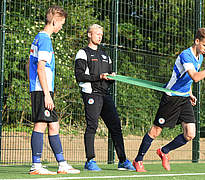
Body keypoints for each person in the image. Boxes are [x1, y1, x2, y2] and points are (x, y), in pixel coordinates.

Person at [132, 28, 205, 172]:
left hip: (183, 99)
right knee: (156, 131)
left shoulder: (199, 57)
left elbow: (187, 80)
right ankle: (138, 160)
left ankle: (164, 151)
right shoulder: (186, 55)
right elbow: (195, 77)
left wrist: (190, 93)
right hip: (171, 98)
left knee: (190, 134)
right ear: (197, 41)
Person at [74, 24, 135, 171]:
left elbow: (108, 77)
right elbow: (79, 76)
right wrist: (99, 76)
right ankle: (90, 161)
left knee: (116, 126)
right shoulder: (82, 53)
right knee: (92, 126)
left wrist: (112, 77)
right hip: (91, 93)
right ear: (89, 35)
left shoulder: (105, 55)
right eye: (97, 34)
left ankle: (122, 161)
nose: (100, 36)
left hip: (105, 95)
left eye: (101, 34)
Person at [27, 5, 80, 175]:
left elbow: (29, 64)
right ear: (55, 21)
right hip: (43, 90)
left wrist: (34, 88)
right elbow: (40, 68)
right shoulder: (45, 40)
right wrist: (46, 94)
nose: (61, 27)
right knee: (41, 125)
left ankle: (62, 164)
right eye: (61, 24)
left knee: (54, 125)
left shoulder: (38, 38)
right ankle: (36, 165)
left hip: (40, 89)